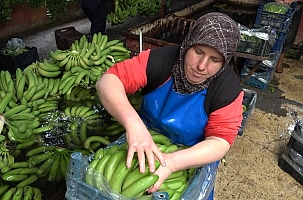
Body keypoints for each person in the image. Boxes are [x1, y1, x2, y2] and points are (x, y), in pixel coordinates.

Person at [96, 12, 243, 199]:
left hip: (192, 154)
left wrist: (173, 162)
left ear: (225, 62)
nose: (201, 66)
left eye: (215, 60)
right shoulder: (160, 60)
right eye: (198, 52)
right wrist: (133, 124)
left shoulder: (228, 88)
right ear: (188, 44)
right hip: (143, 138)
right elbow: (108, 81)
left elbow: (220, 141)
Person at [274, 0, 303, 73]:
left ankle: (279, 63)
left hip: (295, 8)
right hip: (276, 5)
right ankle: (268, 60)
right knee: (273, 32)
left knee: (289, 35)